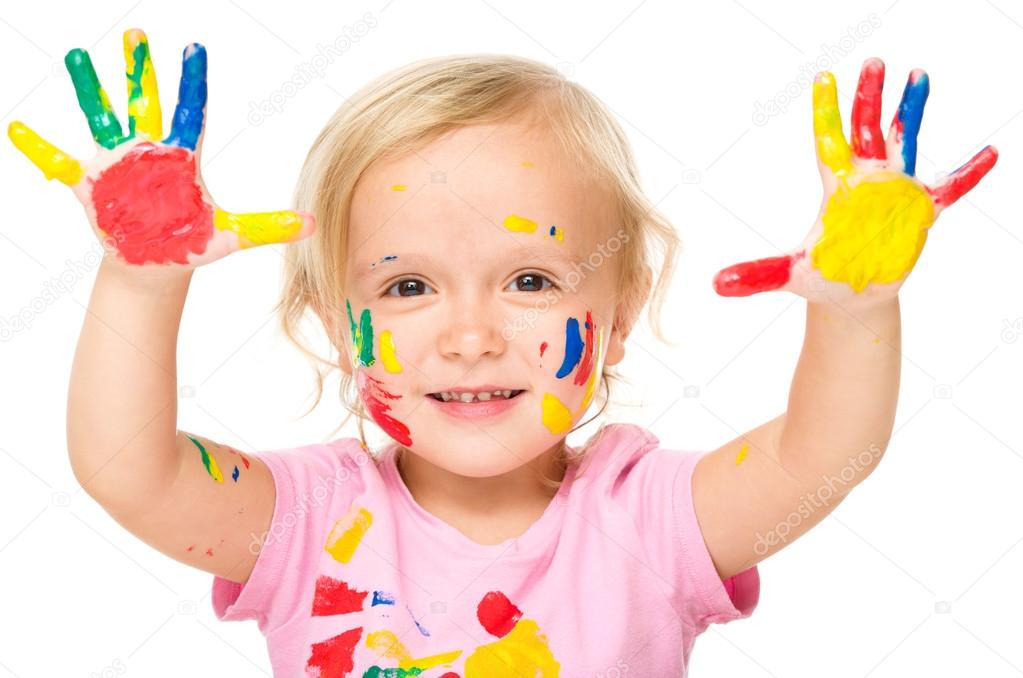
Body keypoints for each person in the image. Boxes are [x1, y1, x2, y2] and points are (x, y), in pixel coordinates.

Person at [9, 28, 997, 676]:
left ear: (618, 308)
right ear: (324, 315)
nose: (472, 335)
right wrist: (143, 279)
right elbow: (125, 468)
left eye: (530, 281)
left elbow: (828, 458)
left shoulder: (644, 521)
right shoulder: (307, 521)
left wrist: (857, 311)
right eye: (406, 287)